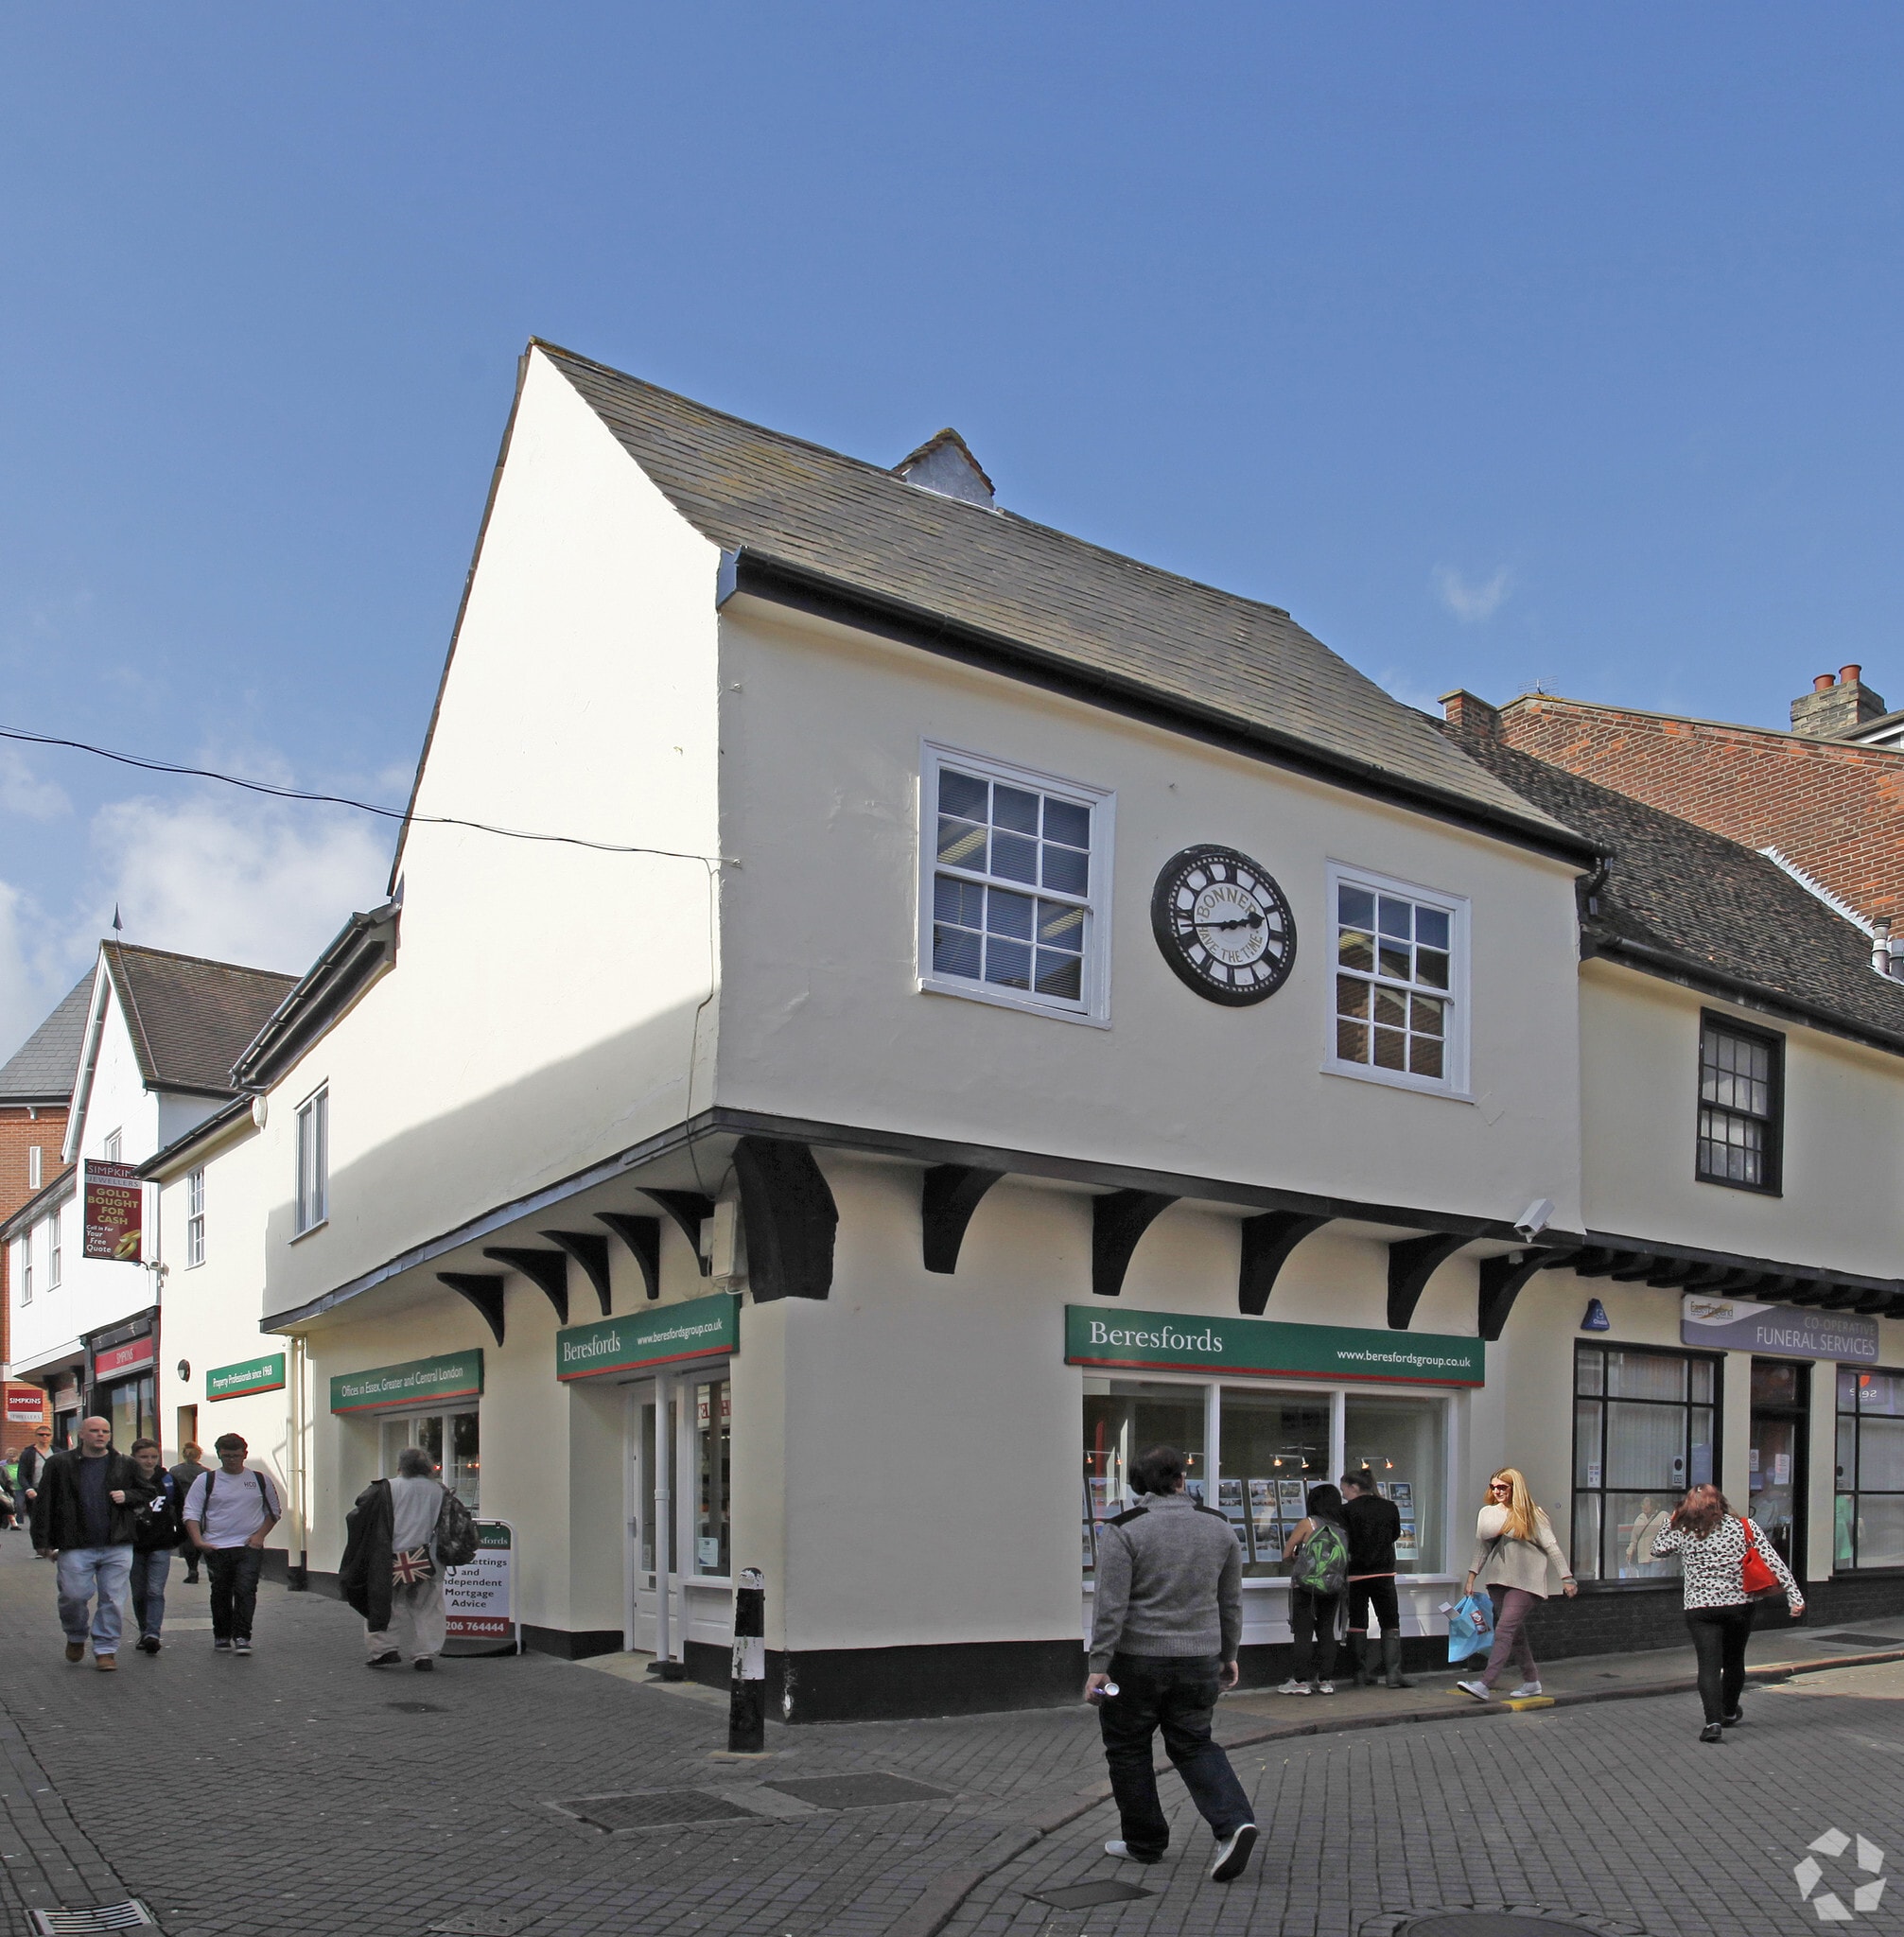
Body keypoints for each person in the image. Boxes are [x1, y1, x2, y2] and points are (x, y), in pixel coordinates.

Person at [1086, 1445, 1257, 1884]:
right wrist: (1229, 1654)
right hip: (1199, 1659)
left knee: (1128, 1747)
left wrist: (1098, 1664)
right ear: (1182, 1478)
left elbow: (1110, 1606)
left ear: (1137, 1485)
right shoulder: (1219, 1526)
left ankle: (1144, 1843)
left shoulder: (1123, 1529)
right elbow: (1230, 1601)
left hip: (1135, 1662)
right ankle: (1233, 1823)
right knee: (1194, 1743)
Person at [1651, 1483, 1803, 1742]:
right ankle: (1729, 1711)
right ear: (1720, 1502)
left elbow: (1657, 1549)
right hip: (1739, 1606)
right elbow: (1774, 1561)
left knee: (1708, 1666)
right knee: (1733, 1661)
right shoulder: (1743, 1527)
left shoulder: (1684, 1531)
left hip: (1700, 1608)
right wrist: (1794, 1597)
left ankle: (1712, 1723)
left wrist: (1671, 1520)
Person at [1457, 1467, 1577, 1701]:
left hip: (1527, 1582)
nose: (1497, 1491)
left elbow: (1551, 1546)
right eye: (1493, 1487)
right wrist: (1471, 1576)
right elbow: (1482, 1547)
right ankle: (1532, 1681)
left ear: (1515, 1488)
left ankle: (1485, 1683)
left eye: (1503, 1487)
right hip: (1498, 1581)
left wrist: (1566, 1578)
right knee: (1515, 1633)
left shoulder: (1533, 1514)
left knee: (1504, 1629)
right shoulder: (1487, 1513)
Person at [29, 1415, 140, 1670]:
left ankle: (106, 1650)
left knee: (113, 1598)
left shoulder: (124, 1463)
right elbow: (44, 1502)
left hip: (117, 1542)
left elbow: (147, 1491)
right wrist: (41, 1540)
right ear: (81, 1434)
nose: (100, 1435)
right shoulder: (60, 1463)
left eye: (105, 1431)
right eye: (94, 1431)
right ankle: (76, 1634)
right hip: (75, 1542)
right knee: (73, 1595)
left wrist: (128, 1495)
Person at [341, 1446, 448, 1671]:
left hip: (389, 1560)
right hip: (427, 1560)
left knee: (384, 1604)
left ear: (401, 1466)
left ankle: (384, 1650)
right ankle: (424, 1654)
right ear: (428, 1467)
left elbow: (358, 1515)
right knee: (428, 1608)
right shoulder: (439, 1490)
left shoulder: (386, 1488)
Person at [183, 1434, 281, 1655]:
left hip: (248, 1546)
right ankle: (222, 1635)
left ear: (245, 1455)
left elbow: (273, 1511)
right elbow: (191, 1512)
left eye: (236, 1456)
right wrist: (199, 1541)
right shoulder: (206, 1480)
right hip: (216, 1546)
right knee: (221, 1591)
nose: (232, 1460)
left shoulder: (259, 1480)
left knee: (246, 1590)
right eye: (226, 1456)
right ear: (219, 1455)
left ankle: (243, 1636)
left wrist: (259, 1536)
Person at [1277, 1483, 1349, 1696]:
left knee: (1303, 1633)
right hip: (1333, 1587)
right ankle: (1325, 1681)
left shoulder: (1308, 1523)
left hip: (1306, 1588)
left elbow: (1286, 1554)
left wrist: (1299, 1562)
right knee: (1326, 1632)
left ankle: (1300, 1681)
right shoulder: (1341, 1527)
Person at [1341, 1470, 1410, 1689]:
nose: (1343, 1494)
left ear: (1354, 1487)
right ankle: (1393, 1673)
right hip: (1384, 1571)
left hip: (1356, 1572)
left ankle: (1360, 1674)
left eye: (1344, 1489)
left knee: (1357, 1621)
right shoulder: (1389, 1507)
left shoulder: (1346, 1511)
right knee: (1390, 1621)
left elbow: (1343, 1539)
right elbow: (1395, 1535)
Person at [127, 1438, 184, 1652]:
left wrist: (178, 1538)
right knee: (139, 1592)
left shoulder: (167, 1480)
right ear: (134, 1458)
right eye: (143, 1457)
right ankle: (144, 1631)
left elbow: (181, 1508)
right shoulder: (126, 1480)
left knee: (155, 1591)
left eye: (153, 1457)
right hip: (133, 1545)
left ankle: (153, 1634)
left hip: (161, 1544)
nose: (149, 1461)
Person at [168, 1443, 211, 1583]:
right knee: (203, 1537)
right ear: (199, 1455)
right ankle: (210, 1568)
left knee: (187, 1539)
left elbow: (171, 1491)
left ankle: (192, 1569)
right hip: (202, 1509)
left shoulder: (174, 1471)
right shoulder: (206, 1472)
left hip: (182, 1508)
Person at [17, 1424, 56, 1560]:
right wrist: (28, 1489)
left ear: (51, 1436)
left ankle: (53, 1546)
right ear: (36, 1436)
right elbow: (21, 1474)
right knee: (37, 1520)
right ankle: (40, 1548)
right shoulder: (28, 1453)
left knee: (55, 1518)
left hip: (54, 1490)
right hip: (35, 1490)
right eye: (41, 1434)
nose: (44, 1437)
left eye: (47, 1434)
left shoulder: (57, 1452)